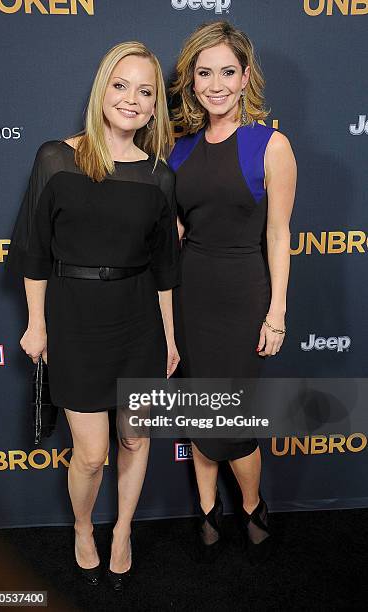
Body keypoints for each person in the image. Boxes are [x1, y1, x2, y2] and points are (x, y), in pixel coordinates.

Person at [6, 41, 180, 591]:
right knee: (91, 453)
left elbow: (165, 269)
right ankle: (84, 527)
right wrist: (37, 323)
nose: (131, 99)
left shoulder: (159, 177)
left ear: (155, 107)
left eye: (145, 91)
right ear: (102, 89)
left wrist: (170, 338)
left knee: (135, 439)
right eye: (121, 85)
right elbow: (34, 250)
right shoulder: (56, 157)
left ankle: (123, 530)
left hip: (139, 321)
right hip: (76, 319)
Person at [169, 22, 297, 563]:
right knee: (201, 411)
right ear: (191, 80)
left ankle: (250, 504)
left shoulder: (271, 144)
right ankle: (205, 509)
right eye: (204, 73)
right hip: (190, 293)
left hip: (244, 295)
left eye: (227, 72)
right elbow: (173, 234)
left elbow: (278, 234)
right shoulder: (177, 150)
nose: (214, 84)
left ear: (246, 78)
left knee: (236, 421)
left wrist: (277, 312)